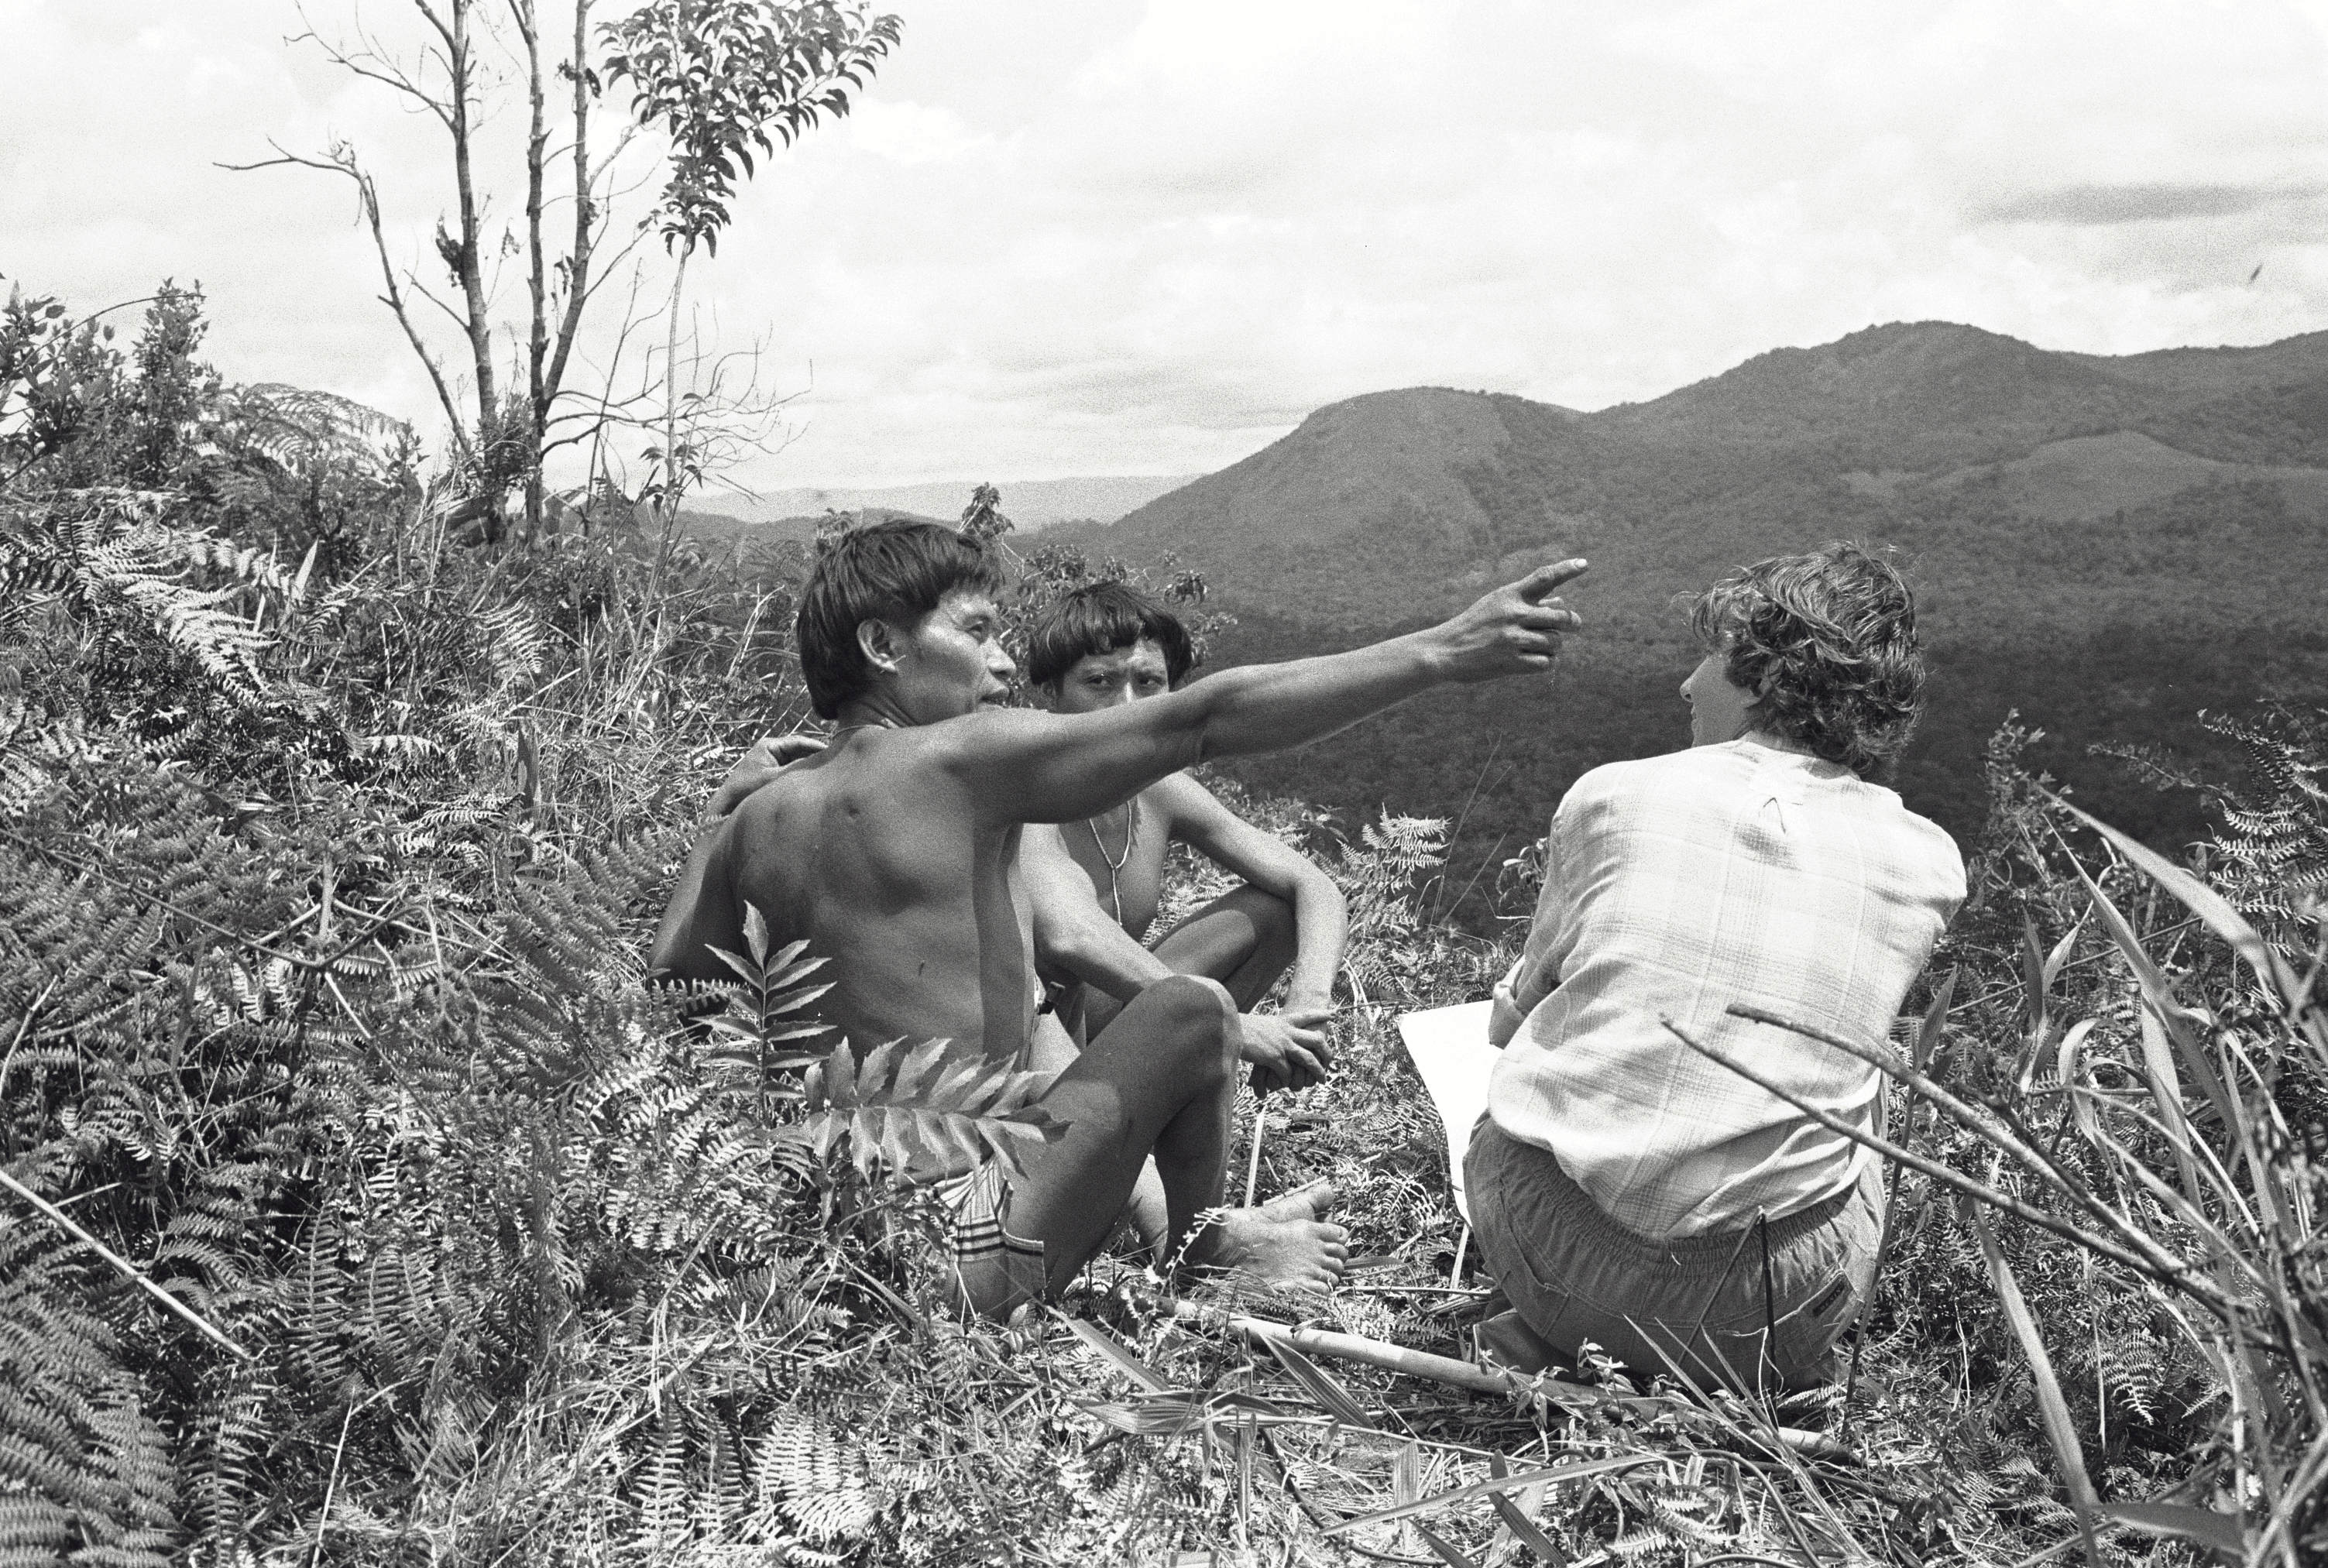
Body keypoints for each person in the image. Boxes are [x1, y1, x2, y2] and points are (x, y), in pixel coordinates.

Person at [654, 519, 1587, 1316]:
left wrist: (716, 823)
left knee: (1077, 1030)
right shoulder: (958, 761)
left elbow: (678, 991)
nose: (1002, 662)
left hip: (842, 1245)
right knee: (1193, 1011)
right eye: (975, 632)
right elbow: (1203, 720)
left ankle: (1193, 1232)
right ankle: (1205, 1257)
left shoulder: (757, 818)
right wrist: (1438, 653)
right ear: (883, 647)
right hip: (970, 1256)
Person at [1468, 541, 1964, 1392]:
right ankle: (1721, 1373)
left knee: (1508, 1101)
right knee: (1870, 1077)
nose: (1687, 684)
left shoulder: (1612, 794)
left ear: (1764, 677)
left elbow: (1514, 1019)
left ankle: (1561, 1335)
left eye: (1712, 657)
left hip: (1550, 1252)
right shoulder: (1929, 862)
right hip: (1763, 1312)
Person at [1022, 582, 1348, 1093]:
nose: (1129, 704)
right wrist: (1234, 1025)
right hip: (1026, 1026)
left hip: (1102, 1011)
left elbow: (1313, 885)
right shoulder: (1024, 786)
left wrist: (1307, 1005)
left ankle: (1179, 1080)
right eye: (1099, 681)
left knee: (1274, 910)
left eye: (1148, 681)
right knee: (1074, 1116)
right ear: (1051, 694)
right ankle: (1155, 1094)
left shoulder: (1159, 791)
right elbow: (1069, 934)